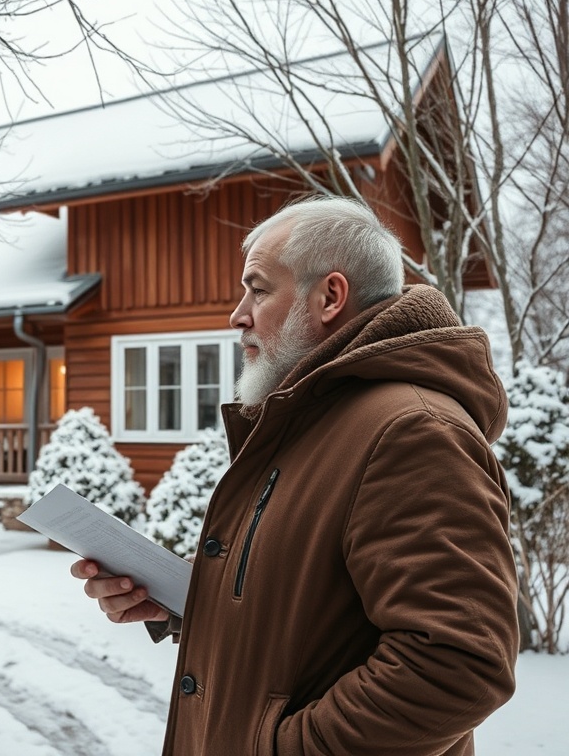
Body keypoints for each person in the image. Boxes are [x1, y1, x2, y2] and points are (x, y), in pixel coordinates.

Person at [71, 196, 518, 755]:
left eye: (257, 288)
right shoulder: (313, 420)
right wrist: (184, 602)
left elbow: (457, 663)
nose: (238, 314)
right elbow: (314, 609)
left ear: (330, 296)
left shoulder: (413, 431)